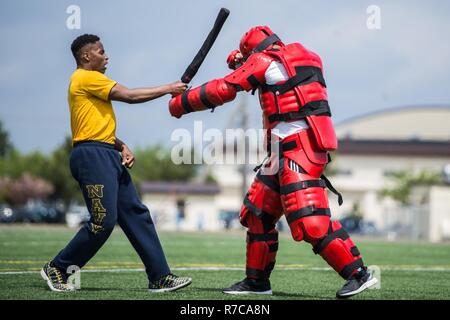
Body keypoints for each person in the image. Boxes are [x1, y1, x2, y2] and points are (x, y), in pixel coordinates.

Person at [168, 26, 378, 298]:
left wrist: (179, 104)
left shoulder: (265, 61)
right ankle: (257, 282)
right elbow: (269, 76)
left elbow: (224, 88)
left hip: (298, 149)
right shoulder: (303, 57)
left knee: (310, 221)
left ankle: (359, 274)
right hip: (285, 151)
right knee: (257, 214)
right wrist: (243, 62)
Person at [41, 34, 192, 293]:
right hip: (91, 157)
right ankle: (58, 267)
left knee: (136, 214)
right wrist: (168, 88)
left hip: (105, 152)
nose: (106, 55)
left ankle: (160, 277)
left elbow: (97, 126)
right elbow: (130, 96)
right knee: (102, 222)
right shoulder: (85, 77)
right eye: (101, 51)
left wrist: (120, 145)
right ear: (86, 56)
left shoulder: (92, 82)